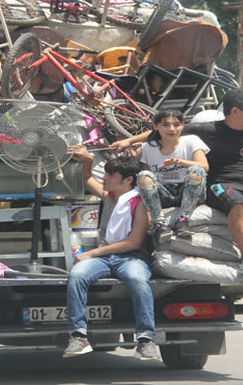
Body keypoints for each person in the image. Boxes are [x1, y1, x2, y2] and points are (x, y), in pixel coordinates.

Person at [111, 88, 243, 279]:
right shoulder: (208, 130)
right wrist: (128, 141)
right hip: (221, 185)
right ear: (235, 111)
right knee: (238, 204)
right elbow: (164, 133)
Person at [64, 151, 160, 361]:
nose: (105, 179)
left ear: (128, 180)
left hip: (131, 257)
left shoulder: (140, 203)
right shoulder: (110, 197)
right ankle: (78, 336)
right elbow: (88, 178)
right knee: (77, 275)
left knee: (137, 279)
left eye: (110, 175)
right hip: (105, 257)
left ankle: (146, 339)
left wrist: (91, 253)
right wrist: (88, 162)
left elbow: (133, 243)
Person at [133, 109, 209, 243]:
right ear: (155, 126)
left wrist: (179, 162)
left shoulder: (191, 140)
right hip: (164, 194)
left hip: (188, 191)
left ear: (183, 125)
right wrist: (134, 156)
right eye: (166, 125)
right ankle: (159, 224)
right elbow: (147, 179)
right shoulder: (147, 148)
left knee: (196, 170)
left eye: (176, 124)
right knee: (144, 175)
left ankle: (183, 220)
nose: (172, 129)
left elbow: (204, 166)